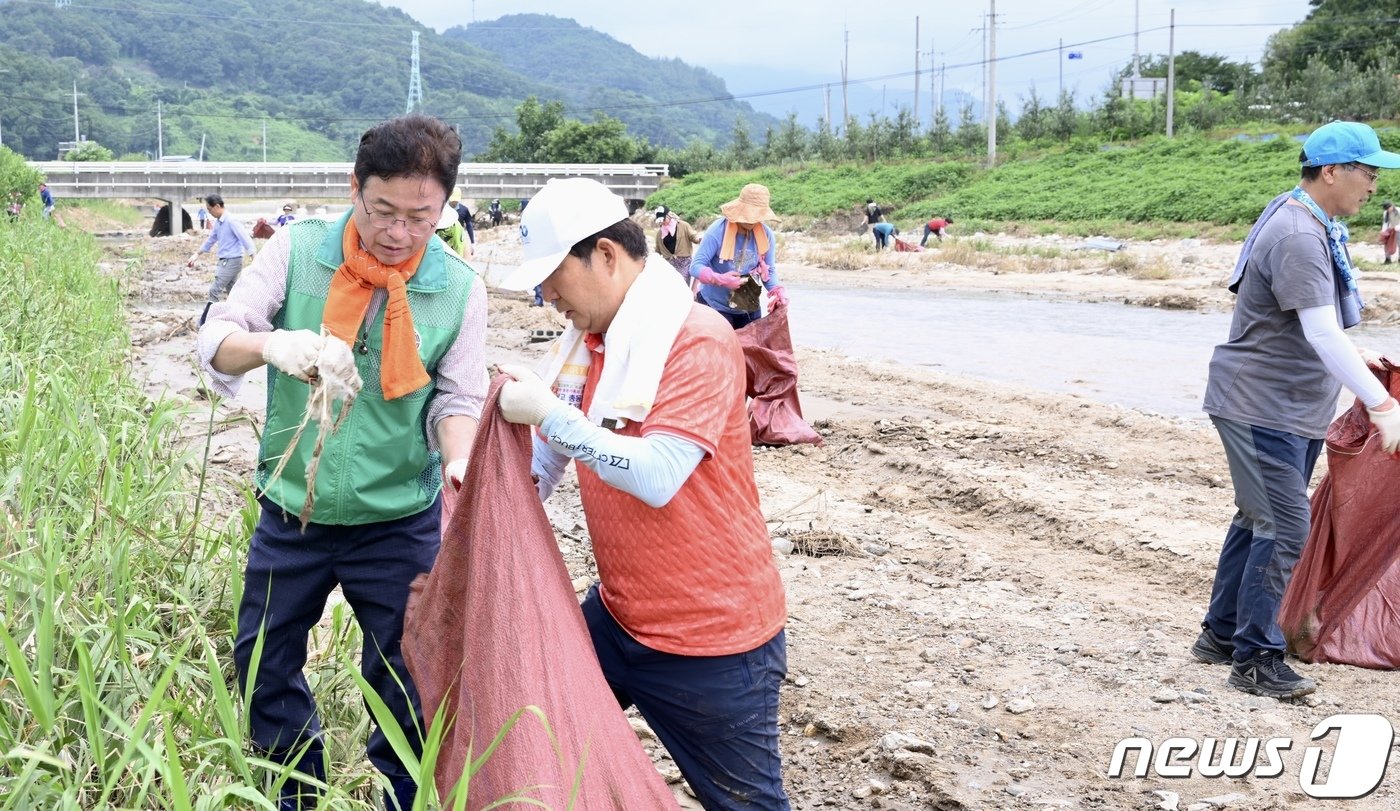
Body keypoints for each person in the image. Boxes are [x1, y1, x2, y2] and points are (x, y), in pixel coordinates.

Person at [196, 114, 487, 810]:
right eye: (383, 210)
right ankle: (293, 793)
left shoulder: (457, 287)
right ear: (354, 188)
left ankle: (402, 798)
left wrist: (458, 462)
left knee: (406, 674)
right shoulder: (296, 253)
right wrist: (271, 347)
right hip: (292, 508)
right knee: (263, 659)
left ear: (444, 207)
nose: (399, 232)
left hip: (399, 519)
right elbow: (218, 336)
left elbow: (458, 398)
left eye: (421, 217)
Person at [494, 177, 790, 809]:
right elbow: (544, 466)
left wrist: (549, 415)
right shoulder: (590, 345)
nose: (548, 299)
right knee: (534, 739)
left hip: (712, 642)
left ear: (604, 255)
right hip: (621, 615)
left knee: (746, 803)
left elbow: (657, 476)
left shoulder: (696, 340)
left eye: (553, 279)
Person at [1196, 120, 1400, 701]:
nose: (1374, 183)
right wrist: (1379, 401)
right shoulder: (1298, 234)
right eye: (1367, 171)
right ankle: (1256, 659)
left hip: (1284, 405)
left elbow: (1310, 326)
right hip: (1261, 405)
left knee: (1255, 517)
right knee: (1284, 525)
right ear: (1331, 171)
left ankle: (1221, 634)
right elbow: (1318, 331)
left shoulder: (1307, 220)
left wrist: (1356, 358)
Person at [690, 183, 788, 330]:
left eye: (758, 217)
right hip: (715, 305)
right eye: (751, 215)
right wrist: (721, 279)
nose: (754, 221)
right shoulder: (717, 231)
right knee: (720, 349)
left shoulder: (766, 235)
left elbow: (769, 270)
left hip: (748, 304)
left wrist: (777, 291)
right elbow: (695, 266)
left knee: (748, 349)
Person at [188, 194, 256, 313]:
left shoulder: (231, 221)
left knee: (215, 290)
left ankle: (206, 319)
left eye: (210, 210)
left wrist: (254, 258)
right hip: (225, 261)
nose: (209, 213)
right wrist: (197, 254)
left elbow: (245, 239)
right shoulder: (219, 222)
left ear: (217, 206)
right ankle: (238, 315)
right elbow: (211, 240)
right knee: (232, 292)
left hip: (232, 261)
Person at [652, 205, 702, 282]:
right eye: (660, 220)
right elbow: (658, 250)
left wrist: (699, 240)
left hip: (684, 262)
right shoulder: (660, 233)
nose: (662, 222)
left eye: (663, 219)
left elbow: (693, 236)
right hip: (669, 264)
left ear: (669, 216)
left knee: (682, 284)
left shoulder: (683, 225)